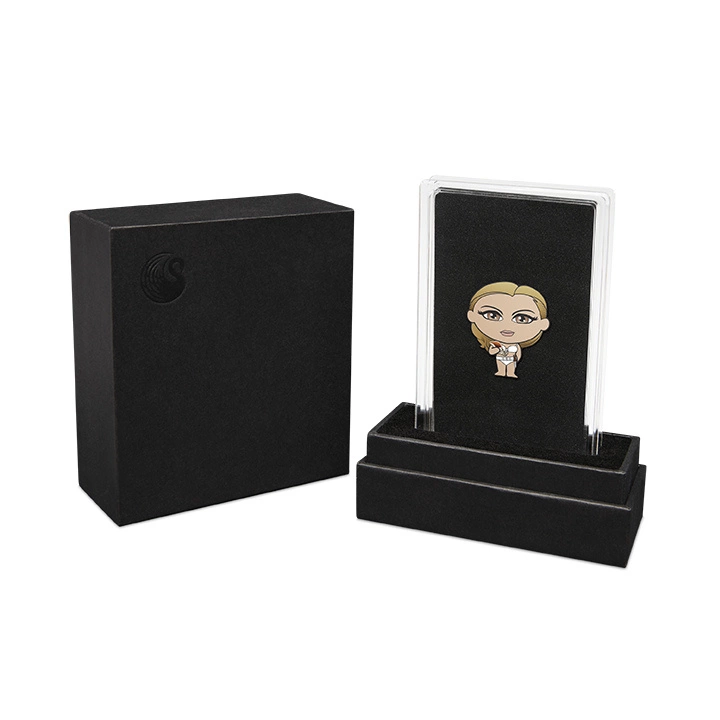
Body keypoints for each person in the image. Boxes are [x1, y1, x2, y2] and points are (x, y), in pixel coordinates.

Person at [466, 282, 550, 378]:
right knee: (501, 368)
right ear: (472, 316)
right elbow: (491, 352)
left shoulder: (516, 346)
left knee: (510, 368)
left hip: (511, 361)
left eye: (522, 319)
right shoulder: (496, 344)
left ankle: (511, 373)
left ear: (543, 324)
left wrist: (515, 358)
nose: (507, 326)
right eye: (492, 315)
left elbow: (518, 355)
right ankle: (501, 371)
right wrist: (497, 349)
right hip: (499, 359)